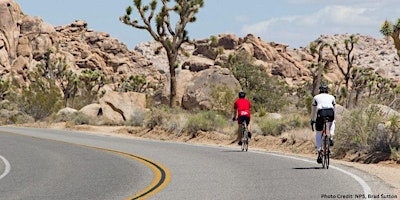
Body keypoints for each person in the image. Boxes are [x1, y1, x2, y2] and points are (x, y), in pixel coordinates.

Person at [310, 84, 336, 164]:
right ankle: (331, 136)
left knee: (318, 132)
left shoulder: (316, 97)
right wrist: (333, 118)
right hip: (330, 112)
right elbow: (334, 108)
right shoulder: (332, 97)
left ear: (320, 90)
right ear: (327, 91)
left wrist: (312, 120)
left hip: (321, 113)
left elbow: (314, 110)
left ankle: (319, 151)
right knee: (332, 122)